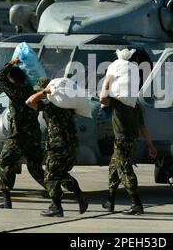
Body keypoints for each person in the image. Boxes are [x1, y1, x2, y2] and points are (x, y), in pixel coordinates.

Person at [26, 77, 88, 217]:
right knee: (60, 174)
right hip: (70, 143)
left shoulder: (50, 105)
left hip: (58, 145)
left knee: (50, 176)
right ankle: (79, 196)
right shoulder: (67, 106)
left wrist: (44, 92)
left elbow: (29, 101)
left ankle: (56, 207)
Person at [99, 72, 157, 215]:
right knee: (114, 169)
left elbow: (102, 98)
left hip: (122, 141)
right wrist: (150, 145)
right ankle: (110, 201)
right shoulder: (135, 105)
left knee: (125, 170)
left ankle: (136, 204)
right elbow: (142, 127)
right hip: (131, 141)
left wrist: (106, 81)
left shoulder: (118, 103)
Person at [0, 57, 46, 209]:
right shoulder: (31, 90)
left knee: (4, 163)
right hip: (34, 135)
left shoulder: (15, 92)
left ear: (13, 80)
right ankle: (55, 193)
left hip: (18, 136)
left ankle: (6, 200)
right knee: (35, 168)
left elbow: (0, 75)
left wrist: (11, 62)